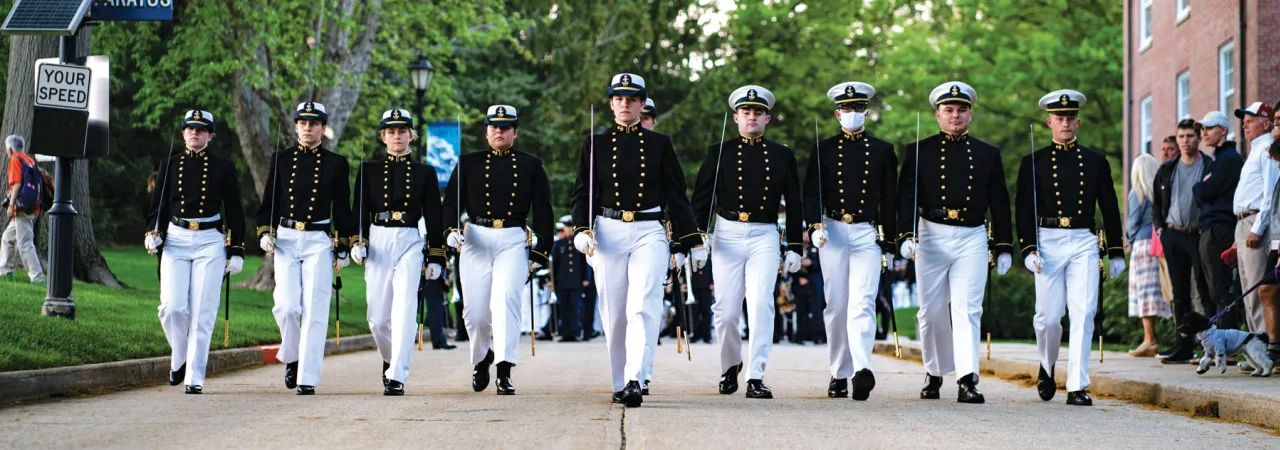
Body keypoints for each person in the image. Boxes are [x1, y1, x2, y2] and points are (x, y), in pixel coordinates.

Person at [571, 73, 705, 407]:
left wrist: (691, 240)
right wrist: (580, 229)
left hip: (649, 229)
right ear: (611, 103)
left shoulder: (660, 144)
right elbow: (583, 192)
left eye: (632, 99)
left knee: (643, 304)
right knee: (614, 311)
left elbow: (676, 194)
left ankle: (635, 378)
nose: (625, 105)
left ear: (642, 104)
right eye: (619, 99)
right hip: (608, 229)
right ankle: (620, 379)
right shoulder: (595, 143)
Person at [898, 81, 1014, 404]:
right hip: (931, 234)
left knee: (967, 309)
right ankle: (934, 371)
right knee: (931, 312)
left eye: (961, 109)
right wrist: (905, 234)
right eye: (948, 110)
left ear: (970, 114)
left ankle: (967, 378)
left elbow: (1000, 202)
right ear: (937, 115)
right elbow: (906, 197)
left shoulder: (987, 154)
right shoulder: (918, 151)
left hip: (971, 235)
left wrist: (1004, 245)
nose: (955, 115)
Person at [692, 84, 803, 400]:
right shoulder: (719, 152)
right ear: (736, 116)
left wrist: (795, 245)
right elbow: (702, 199)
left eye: (757, 112)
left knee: (760, 304)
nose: (751, 117)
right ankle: (730, 366)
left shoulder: (782, 155)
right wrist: (697, 239)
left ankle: (756, 375)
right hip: (727, 231)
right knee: (726, 310)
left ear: (767, 118)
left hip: (764, 234)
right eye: (746, 112)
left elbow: (794, 203)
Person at [1017, 90, 1124, 406]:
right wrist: (1027, 248)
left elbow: (1109, 206)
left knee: (1084, 311)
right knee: (1048, 318)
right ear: (1049, 121)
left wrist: (1115, 249)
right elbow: (1023, 209)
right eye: (1059, 118)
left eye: (1070, 118)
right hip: (1047, 239)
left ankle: (1077, 384)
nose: (1065, 123)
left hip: (1082, 241)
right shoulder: (1033, 161)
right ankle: (1046, 364)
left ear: (1077, 121)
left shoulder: (1094, 161)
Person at [443, 105, 554, 396]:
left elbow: (543, 210)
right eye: (494, 127)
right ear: (486, 131)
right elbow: (452, 204)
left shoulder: (531, 165)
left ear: (515, 132)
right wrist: (449, 230)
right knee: (475, 312)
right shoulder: (468, 163)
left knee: (507, 300)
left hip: (513, 237)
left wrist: (541, 250)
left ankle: (504, 369)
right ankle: (482, 358)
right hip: (476, 237)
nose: (499, 132)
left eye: (505, 127)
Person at [803, 81, 897, 401]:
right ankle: (838, 371)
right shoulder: (823, 148)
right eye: (847, 108)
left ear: (865, 112)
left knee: (863, 301)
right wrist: (814, 224)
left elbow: (890, 198)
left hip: (867, 232)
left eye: (858, 108)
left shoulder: (883, 150)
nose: (852, 113)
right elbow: (812, 191)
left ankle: (861, 369)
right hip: (832, 230)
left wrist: (891, 239)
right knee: (837, 304)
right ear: (836, 113)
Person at [256, 102, 356, 395]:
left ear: (324, 129)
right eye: (303, 123)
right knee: (285, 306)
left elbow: (343, 209)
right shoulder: (281, 159)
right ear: (296, 126)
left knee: (315, 309)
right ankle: (294, 354)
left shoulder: (336, 163)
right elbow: (268, 203)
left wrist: (344, 245)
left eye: (314, 124)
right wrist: (265, 231)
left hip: (318, 241)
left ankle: (307, 376)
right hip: (286, 238)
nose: (308, 128)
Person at [143, 110, 246, 394]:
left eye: (201, 130)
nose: (194, 133)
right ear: (183, 133)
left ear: (210, 135)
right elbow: (159, 206)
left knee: (202, 311)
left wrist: (236, 249)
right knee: (171, 307)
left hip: (210, 241)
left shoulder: (223, 167)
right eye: (189, 128)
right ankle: (180, 356)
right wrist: (153, 232)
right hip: (176, 238)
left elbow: (235, 209)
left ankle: (194, 376)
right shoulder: (169, 164)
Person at [349, 109, 446, 395]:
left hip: (410, 239)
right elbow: (360, 209)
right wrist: (358, 240)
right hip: (378, 238)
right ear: (383, 137)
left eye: (402, 131)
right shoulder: (369, 169)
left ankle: (397, 375)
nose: (397, 136)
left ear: (410, 135)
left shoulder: (425, 172)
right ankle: (390, 358)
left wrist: (436, 255)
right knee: (377, 318)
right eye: (391, 132)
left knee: (404, 309)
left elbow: (434, 215)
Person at [1152, 118, 1217, 364]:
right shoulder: (1167, 169)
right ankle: (1183, 346)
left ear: (1199, 137)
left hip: (1199, 234)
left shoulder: (1210, 165)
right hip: (1172, 234)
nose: (1185, 141)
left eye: (1190, 136)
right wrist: (1160, 229)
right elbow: (1156, 204)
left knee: (1204, 290)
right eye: (1181, 136)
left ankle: (1210, 346)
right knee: (1179, 294)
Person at [1231, 102, 1276, 345]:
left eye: (1250, 120)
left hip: (1255, 221)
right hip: (1243, 222)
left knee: (1258, 289)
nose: (1245, 124)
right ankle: (1255, 347)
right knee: (1247, 289)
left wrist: (1258, 228)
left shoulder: (1268, 148)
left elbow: (1270, 194)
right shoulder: (1255, 150)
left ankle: (1265, 345)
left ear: (1266, 123)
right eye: (1244, 121)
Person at [1126, 153, 1171, 357]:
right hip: (1160, 244)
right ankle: (1165, 339)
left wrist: (1129, 240)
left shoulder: (1137, 193)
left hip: (1143, 246)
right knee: (1162, 291)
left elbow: (1133, 222)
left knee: (1144, 293)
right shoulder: (1160, 191)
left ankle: (1149, 339)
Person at [1, 135, 45, 284]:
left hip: (21, 207)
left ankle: (37, 278)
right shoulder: (29, 160)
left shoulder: (15, 160)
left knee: (25, 243)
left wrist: (11, 204)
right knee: (7, 238)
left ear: (10, 149)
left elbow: (17, 185)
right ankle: (5, 271)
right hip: (31, 205)